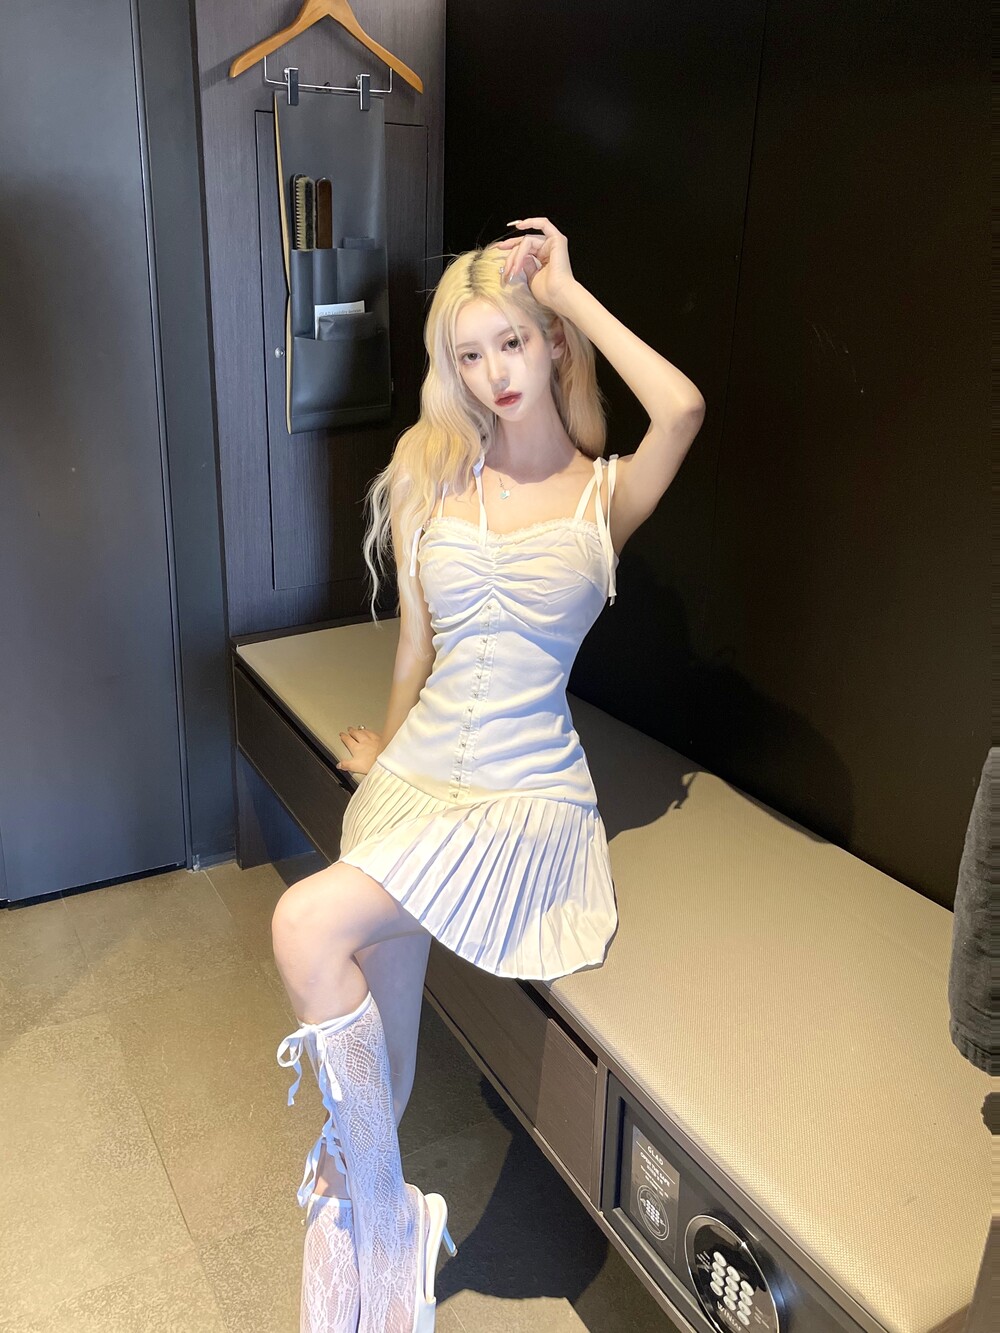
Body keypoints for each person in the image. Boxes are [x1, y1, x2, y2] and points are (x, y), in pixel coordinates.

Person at [270, 217, 706, 1333]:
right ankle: (364, 1233)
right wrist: (382, 754)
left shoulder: (604, 494)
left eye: (511, 342)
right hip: (420, 780)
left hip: (524, 802)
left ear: (550, 344)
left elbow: (682, 408)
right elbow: (415, 652)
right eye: (468, 355)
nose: (493, 373)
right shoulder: (433, 483)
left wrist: (567, 291)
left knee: (304, 924)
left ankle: (382, 1221)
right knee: (384, 1058)